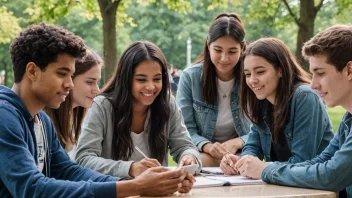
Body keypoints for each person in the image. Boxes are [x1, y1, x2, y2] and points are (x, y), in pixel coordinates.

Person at [0, 22, 194, 198]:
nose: (69, 84)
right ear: (32, 71)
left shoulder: (41, 120)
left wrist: (134, 183)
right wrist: (135, 187)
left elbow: (70, 171)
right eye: (62, 74)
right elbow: (32, 189)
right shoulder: (4, 116)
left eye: (71, 75)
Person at [231, 25, 352, 197]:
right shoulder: (349, 119)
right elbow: (322, 161)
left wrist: (266, 169)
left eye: (320, 73)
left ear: (349, 70)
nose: (313, 84)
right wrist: (246, 163)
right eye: (247, 74)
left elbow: (331, 175)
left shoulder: (305, 97)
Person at [75, 41, 201, 179]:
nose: (151, 87)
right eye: (141, 80)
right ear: (126, 79)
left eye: (157, 79)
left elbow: (184, 146)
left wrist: (189, 157)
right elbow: (83, 159)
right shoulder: (102, 106)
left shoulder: (167, 103)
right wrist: (131, 169)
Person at [220, 38, 334, 175]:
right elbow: (252, 145)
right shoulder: (262, 99)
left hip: (316, 188)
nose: (252, 80)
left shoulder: (305, 97)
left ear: (280, 70)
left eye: (260, 72)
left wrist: (262, 168)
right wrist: (240, 161)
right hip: (280, 184)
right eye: (248, 74)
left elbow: (303, 162)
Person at [176, 12, 250, 167]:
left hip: (242, 153)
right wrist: (208, 146)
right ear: (208, 45)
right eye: (218, 50)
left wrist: (237, 142)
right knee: (192, 164)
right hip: (202, 153)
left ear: (243, 48)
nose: (224, 58)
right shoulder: (190, 77)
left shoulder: (251, 78)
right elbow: (184, 129)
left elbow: (263, 128)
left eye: (232, 51)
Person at [44, 49, 103, 159]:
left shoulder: (78, 122)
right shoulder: (44, 122)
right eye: (90, 82)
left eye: (97, 82)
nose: (97, 90)